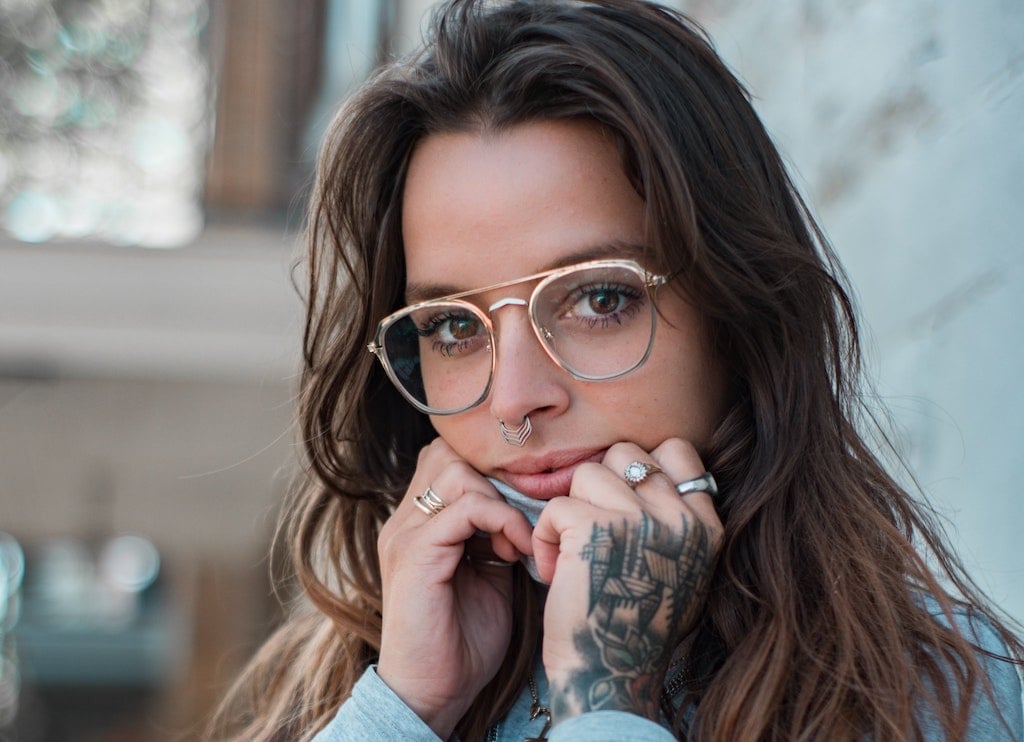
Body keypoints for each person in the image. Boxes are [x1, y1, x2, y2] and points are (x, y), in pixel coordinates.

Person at [211, 0, 1024, 739]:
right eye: (453, 326)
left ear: (736, 310)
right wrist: (405, 707)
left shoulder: (936, 694)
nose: (516, 401)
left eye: (599, 299)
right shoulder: (342, 687)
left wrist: (605, 698)